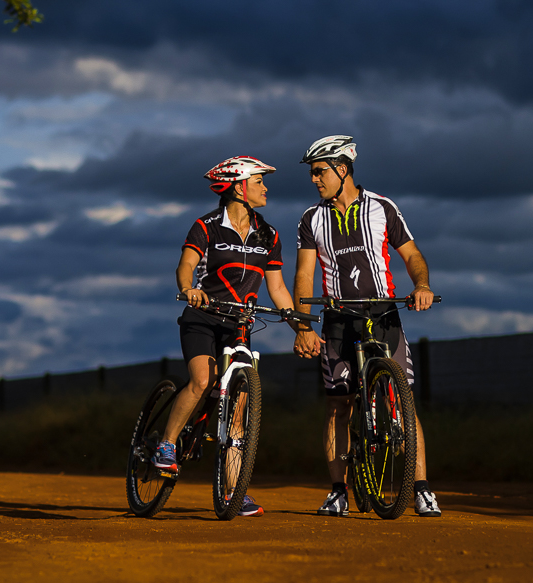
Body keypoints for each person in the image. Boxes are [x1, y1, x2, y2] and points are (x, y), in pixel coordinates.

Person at [290, 135, 442, 517]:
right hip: (338, 320)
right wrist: (304, 327)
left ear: (342, 169)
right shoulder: (311, 219)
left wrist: (422, 286)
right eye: (312, 173)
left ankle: (422, 489)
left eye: (319, 172)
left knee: (403, 403)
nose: (314, 180)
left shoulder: (382, 207)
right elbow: (304, 274)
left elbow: (412, 255)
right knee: (338, 405)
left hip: (383, 314)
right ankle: (338, 491)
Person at [152, 155, 296, 518]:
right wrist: (188, 288)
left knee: (239, 411)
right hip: (202, 317)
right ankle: (166, 445)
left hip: (240, 324)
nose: (265, 188)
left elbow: (278, 289)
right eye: (259, 181)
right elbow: (186, 266)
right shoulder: (206, 226)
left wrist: (302, 329)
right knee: (202, 381)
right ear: (238, 187)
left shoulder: (269, 234)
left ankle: (234, 491)